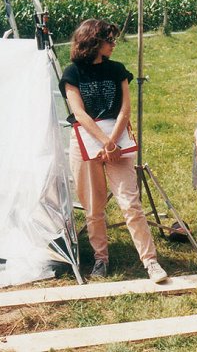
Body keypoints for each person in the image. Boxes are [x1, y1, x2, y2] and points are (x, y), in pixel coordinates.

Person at [59, 19, 168, 283]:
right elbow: (78, 112)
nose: (114, 44)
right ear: (94, 41)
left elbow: (125, 109)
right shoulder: (72, 73)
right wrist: (103, 141)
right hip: (86, 143)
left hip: (117, 142)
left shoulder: (118, 70)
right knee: (94, 207)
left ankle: (150, 261)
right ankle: (100, 259)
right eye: (110, 39)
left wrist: (113, 142)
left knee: (130, 203)